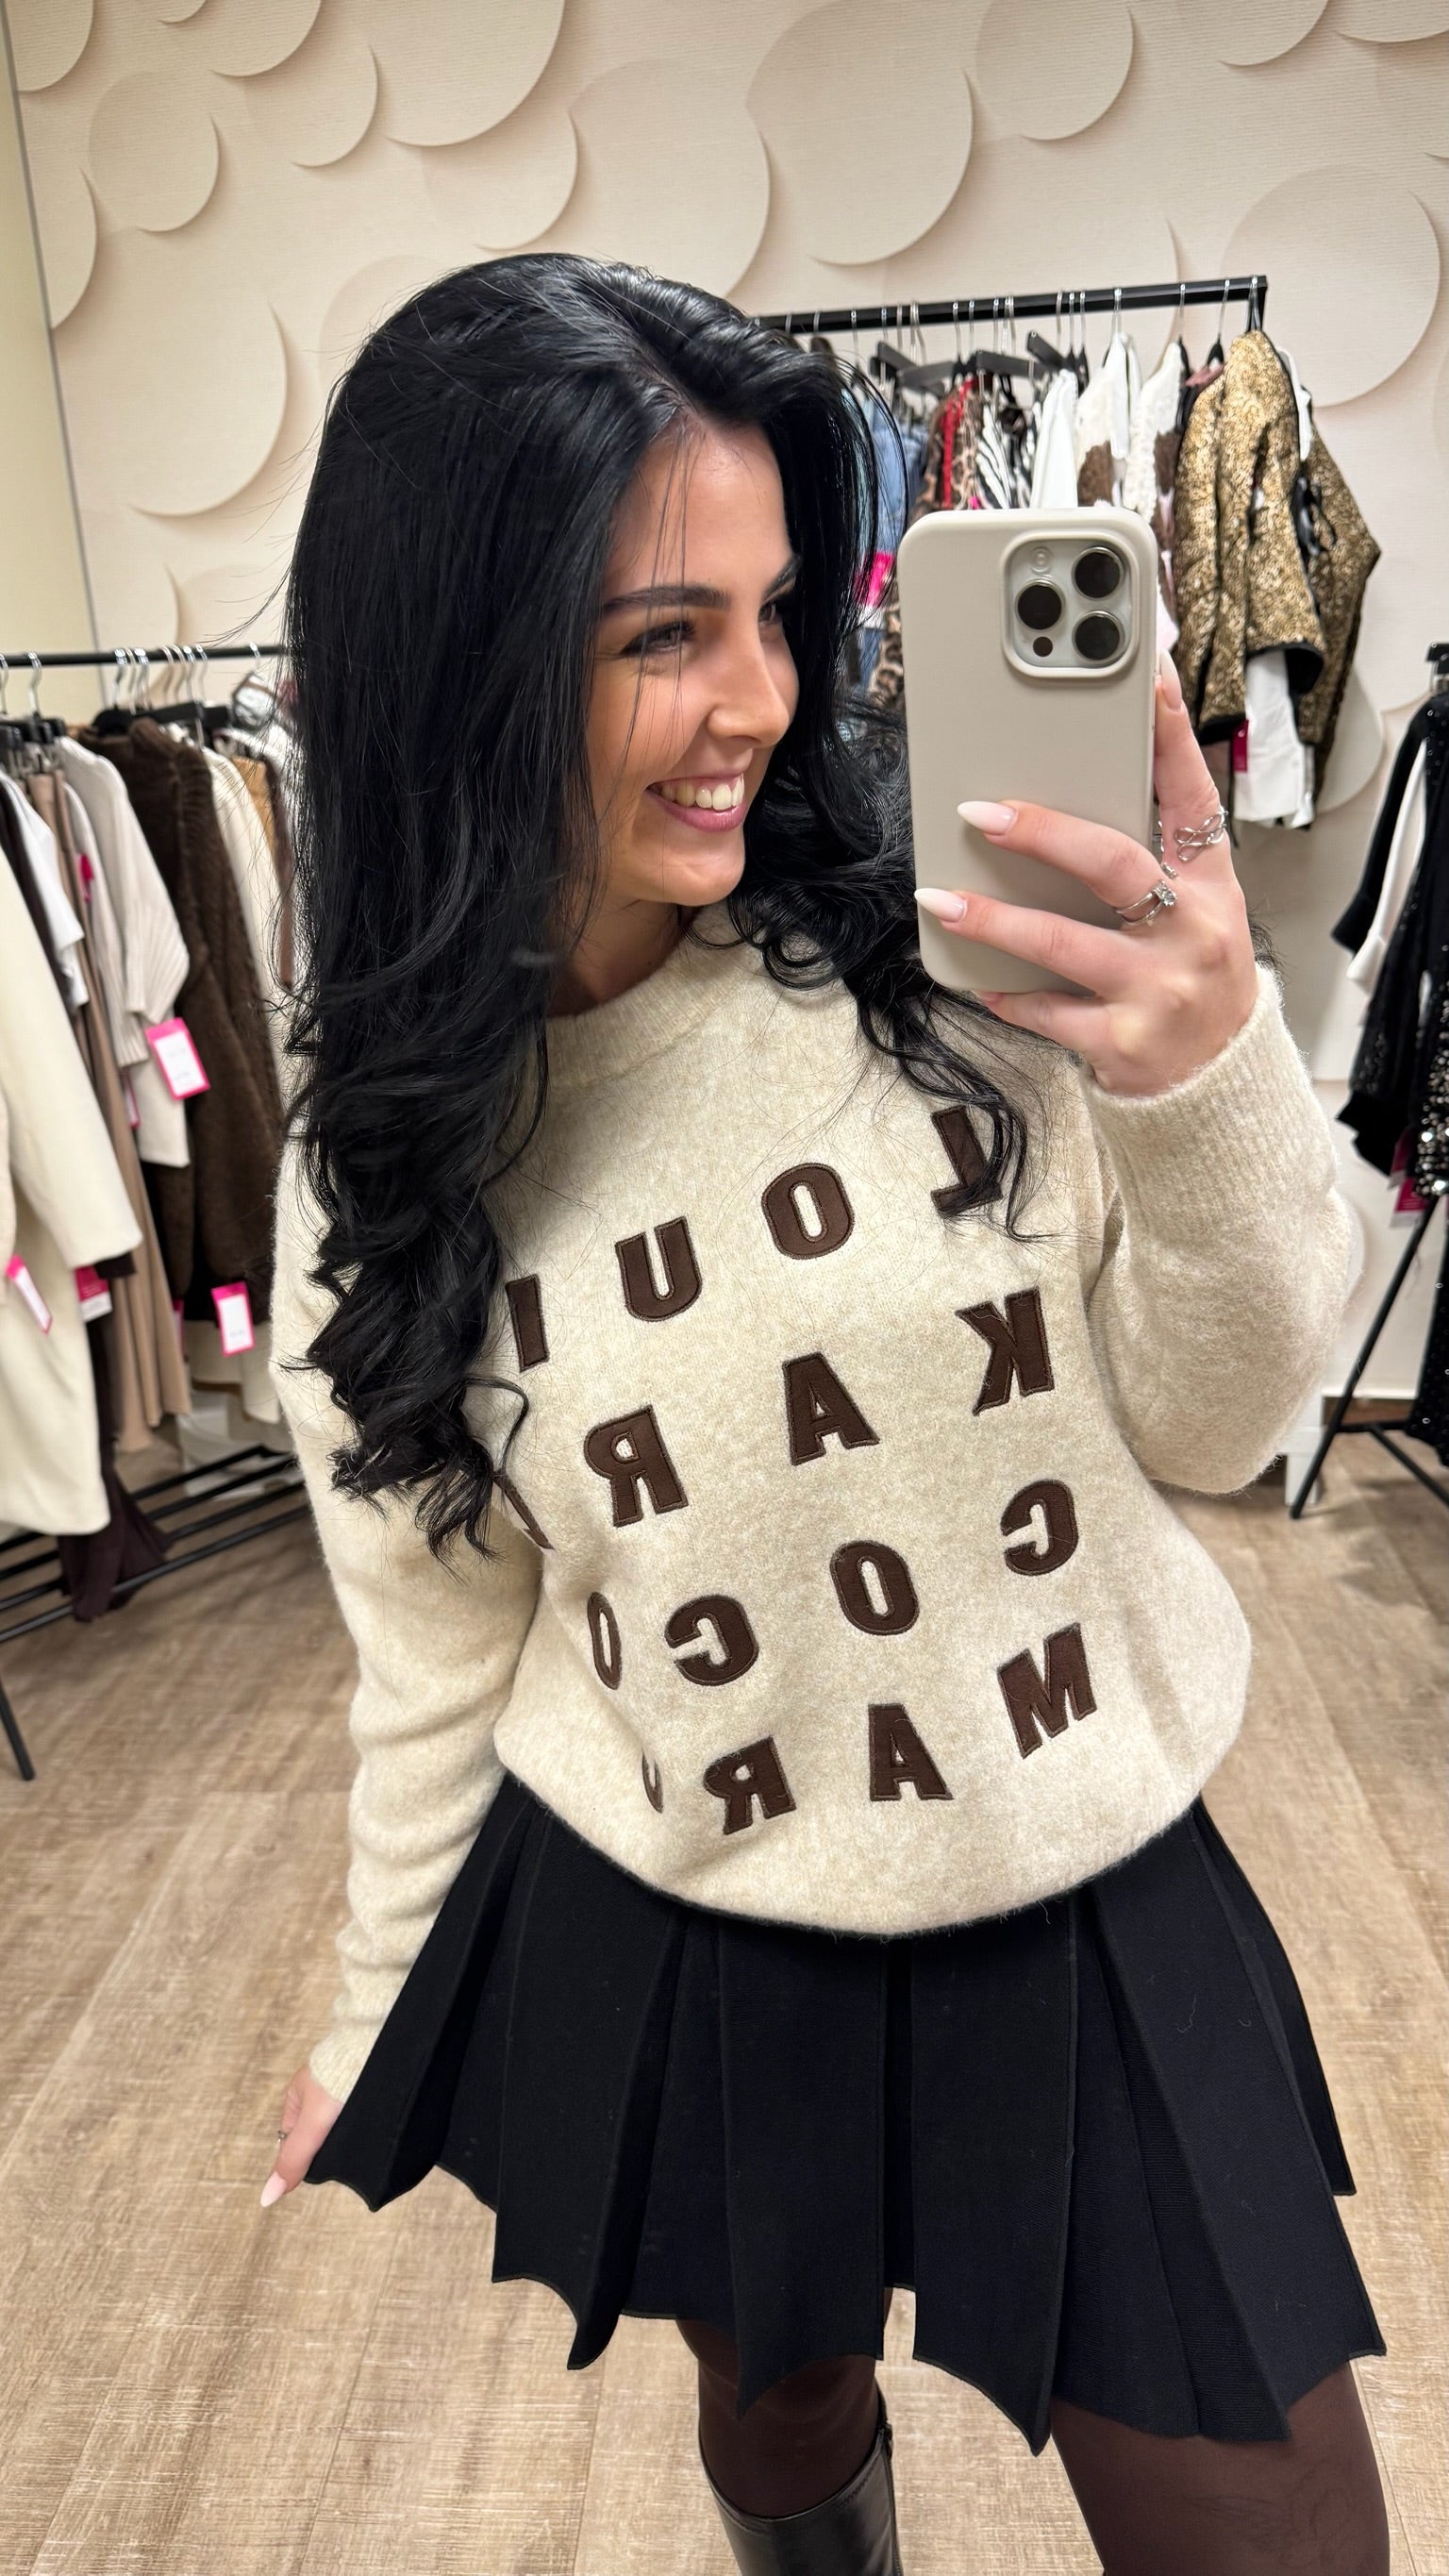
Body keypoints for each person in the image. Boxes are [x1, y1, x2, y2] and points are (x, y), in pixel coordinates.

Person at [257, 255, 1388, 2576]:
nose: (760, 702)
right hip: (690, 1902)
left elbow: (1218, 1423)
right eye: (660, 635)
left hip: (1069, 1862)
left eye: (778, 613)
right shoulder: (381, 1155)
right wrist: (374, 2008)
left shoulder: (946, 963)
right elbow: (439, 1644)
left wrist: (1204, 1075)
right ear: (457, 653)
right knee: (778, 2407)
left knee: (1272, 2521)